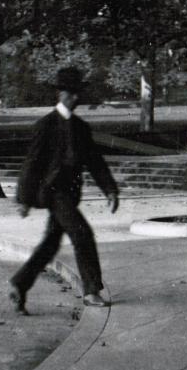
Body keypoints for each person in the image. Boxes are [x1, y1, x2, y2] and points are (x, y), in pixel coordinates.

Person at [8, 67, 119, 315]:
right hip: (54, 193)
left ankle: (19, 284)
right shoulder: (44, 126)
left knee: (50, 245)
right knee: (83, 235)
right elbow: (31, 163)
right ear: (60, 94)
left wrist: (110, 190)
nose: (75, 98)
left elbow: (95, 162)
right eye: (70, 93)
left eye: (77, 93)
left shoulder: (81, 128)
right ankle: (91, 291)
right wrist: (24, 199)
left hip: (70, 194)